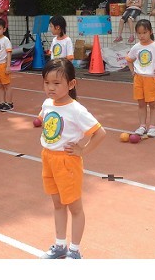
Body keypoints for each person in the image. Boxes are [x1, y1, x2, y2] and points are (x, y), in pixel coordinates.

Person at [39, 58, 106, 259]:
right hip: (48, 158)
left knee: (74, 208)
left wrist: (82, 150)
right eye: (46, 82)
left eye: (56, 83)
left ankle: (75, 251)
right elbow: (45, 120)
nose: (50, 88)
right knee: (58, 204)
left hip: (67, 162)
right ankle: (60, 245)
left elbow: (100, 133)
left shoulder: (76, 110)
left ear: (71, 84)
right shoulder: (47, 103)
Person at [125, 19, 155, 138]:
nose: (142, 36)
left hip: (151, 79)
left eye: (144, 33)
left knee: (153, 104)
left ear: (150, 32)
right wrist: (132, 71)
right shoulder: (136, 47)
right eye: (139, 33)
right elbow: (129, 59)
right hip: (139, 79)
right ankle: (142, 126)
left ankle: (152, 127)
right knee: (141, 104)